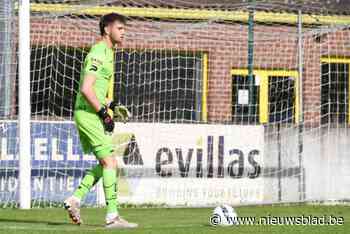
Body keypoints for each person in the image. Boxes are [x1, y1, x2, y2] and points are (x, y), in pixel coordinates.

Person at [63, 12, 136, 229]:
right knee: (110, 162)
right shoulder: (98, 52)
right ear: (107, 29)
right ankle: (112, 217)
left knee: (106, 162)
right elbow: (86, 89)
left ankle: (75, 199)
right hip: (89, 114)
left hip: (91, 113)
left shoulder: (108, 52)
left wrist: (111, 106)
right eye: (120, 28)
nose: (124, 32)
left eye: (124, 29)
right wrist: (104, 113)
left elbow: (95, 89)